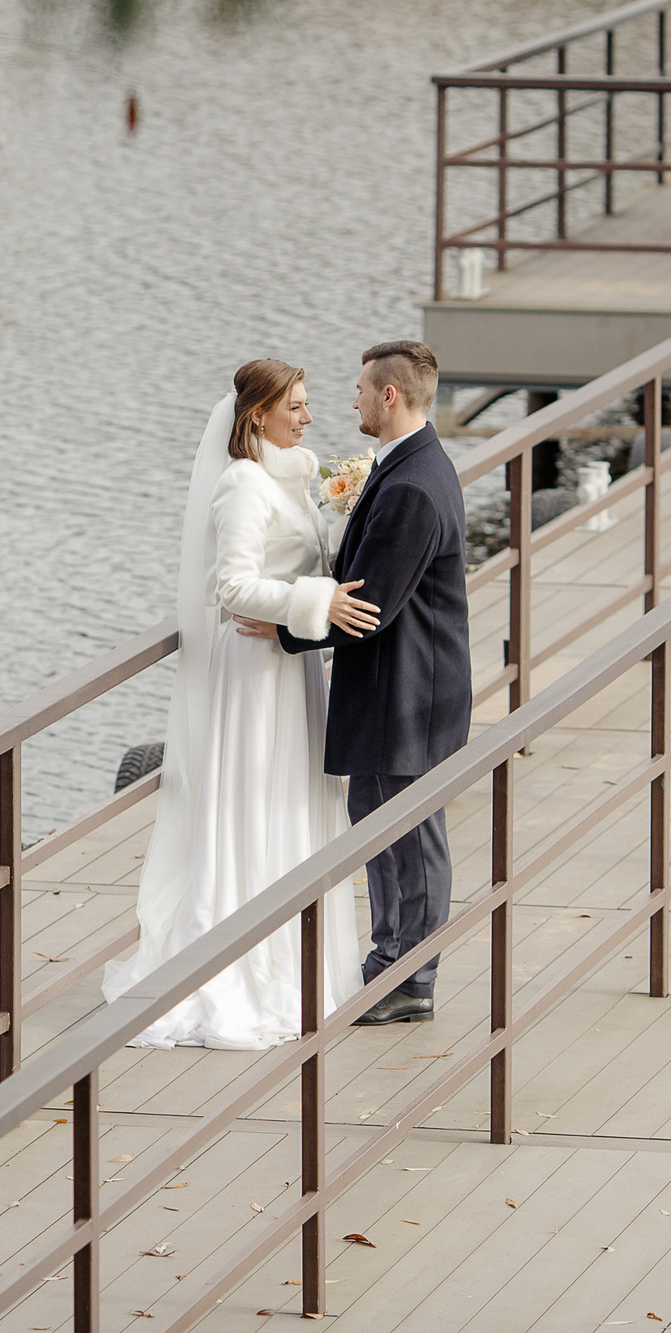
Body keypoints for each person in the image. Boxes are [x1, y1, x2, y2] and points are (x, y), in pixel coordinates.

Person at [105, 360, 369, 1049]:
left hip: (294, 666)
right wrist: (316, 603)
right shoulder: (243, 484)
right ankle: (242, 964)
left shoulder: (290, 478)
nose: (308, 417)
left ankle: (295, 957)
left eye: (308, 405)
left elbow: (303, 567)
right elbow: (232, 587)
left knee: (294, 800)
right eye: (296, 406)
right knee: (254, 801)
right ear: (258, 414)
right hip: (253, 673)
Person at [244, 340, 468, 1026]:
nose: (354, 401)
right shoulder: (409, 465)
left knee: (411, 831)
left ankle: (411, 975)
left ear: (390, 395)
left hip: (410, 694)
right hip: (398, 687)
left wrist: (286, 627)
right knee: (380, 825)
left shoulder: (410, 485)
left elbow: (367, 608)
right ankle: (389, 957)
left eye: (362, 390)